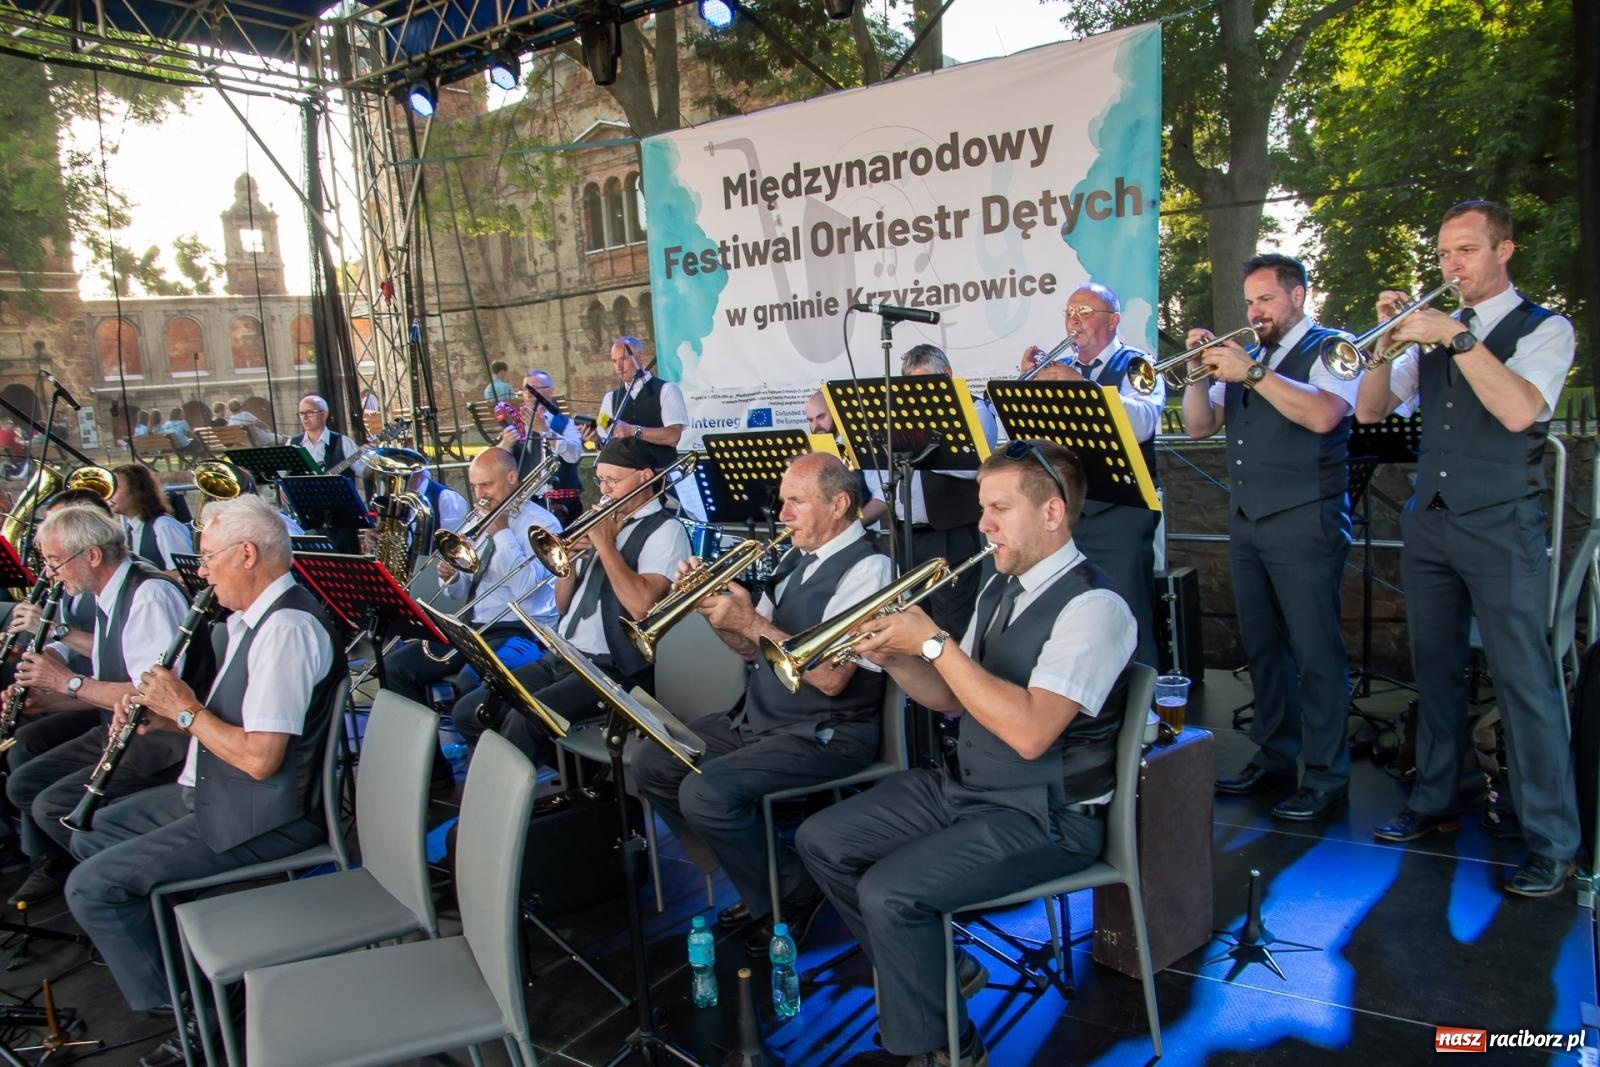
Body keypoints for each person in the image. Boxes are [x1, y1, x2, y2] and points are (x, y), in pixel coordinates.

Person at [796, 440, 1135, 1067]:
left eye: (999, 508)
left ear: (1053, 513)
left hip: (1048, 814)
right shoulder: (999, 589)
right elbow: (952, 700)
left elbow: (1032, 732)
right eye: (984, 508)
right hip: (969, 788)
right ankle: (942, 977)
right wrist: (895, 658)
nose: (982, 524)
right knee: (823, 840)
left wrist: (933, 644)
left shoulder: (1096, 607)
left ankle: (939, 1050)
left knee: (891, 892)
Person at [1355, 200, 1579, 896]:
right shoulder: (1431, 339)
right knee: (1436, 669)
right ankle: (1436, 799)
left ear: (1504, 250)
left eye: (1467, 251)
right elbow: (1368, 409)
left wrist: (1456, 338)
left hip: (1503, 525)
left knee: (1524, 682)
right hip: (1433, 521)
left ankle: (1552, 840)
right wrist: (1388, 344)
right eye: (1446, 253)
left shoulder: (1546, 327)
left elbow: (1518, 410)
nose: (1452, 265)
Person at [63, 494, 344, 1036]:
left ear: (245, 555)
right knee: (89, 834)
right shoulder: (247, 623)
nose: (201, 570)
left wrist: (185, 711)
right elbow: (232, 725)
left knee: (91, 889)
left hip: (264, 814)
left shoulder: (284, 631)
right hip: (221, 790)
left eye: (207, 556)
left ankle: (207, 1014)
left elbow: (262, 761)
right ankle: (181, 949)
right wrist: (165, 720)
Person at [633, 453, 893, 956]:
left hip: (826, 731)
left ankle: (785, 891)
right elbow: (754, 648)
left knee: (706, 794)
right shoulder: (798, 557)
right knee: (653, 761)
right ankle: (769, 880)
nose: (783, 514)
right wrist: (719, 614)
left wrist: (749, 621)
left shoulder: (871, 568)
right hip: (761, 717)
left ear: (839, 504)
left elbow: (834, 678)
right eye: (783, 501)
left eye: (796, 501)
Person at [1180, 253, 1358, 822]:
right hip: (1250, 518)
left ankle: (1328, 775)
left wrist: (1253, 374)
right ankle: (1277, 755)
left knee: (1316, 650)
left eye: (1266, 299)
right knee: (1263, 646)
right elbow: (1198, 425)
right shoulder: (1249, 356)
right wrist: (1196, 371)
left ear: (1298, 296)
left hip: (1307, 516)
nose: (1255, 311)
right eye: (1250, 301)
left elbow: (1325, 415)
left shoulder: (1332, 346)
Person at [3, 505, 191, 905]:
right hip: (119, 727)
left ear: (91, 555)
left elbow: (150, 699)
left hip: (162, 741)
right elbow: (112, 667)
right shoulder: (108, 593)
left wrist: (66, 682)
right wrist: (47, 701)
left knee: (51, 803)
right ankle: (85, 871)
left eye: (55, 561)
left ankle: (120, 886)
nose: (50, 573)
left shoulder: (149, 595)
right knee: (25, 779)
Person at [456, 436, 692, 756]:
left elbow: (642, 607)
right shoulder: (606, 520)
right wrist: (569, 563)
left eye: (613, 480)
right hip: (564, 655)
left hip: (611, 668)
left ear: (645, 477)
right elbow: (563, 604)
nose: (604, 489)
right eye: (600, 480)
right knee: (471, 710)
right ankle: (571, 774)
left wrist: (605, 545)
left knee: (523, 720)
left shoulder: (666, 530)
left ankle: (525, 792)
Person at [1019, 283, 1164, 666]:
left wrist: (1083, 388)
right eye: (1069, 312)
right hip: (1068, 510)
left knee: (1128, 611)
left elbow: (1144, 423)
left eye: (1085, 312)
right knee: (1073, 614)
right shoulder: (1057, 369)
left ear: (1113, 320)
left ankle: (1144, 718)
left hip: (1121, 510)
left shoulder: (1137, 364)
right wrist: (1029, 387)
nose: (1074, 321)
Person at [383, 447, 560, 726]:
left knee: (470, 681)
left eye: (486, 485)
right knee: (395, 668)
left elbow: (529, 591)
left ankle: (486, 758)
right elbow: (459, 594)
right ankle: (431, 764)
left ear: (512, 477)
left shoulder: (543, 524)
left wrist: (502, 533)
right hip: (471, 625)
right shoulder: (477, 518)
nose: (479, 495)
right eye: (475, 486)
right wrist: (452, 577)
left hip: (518, 628)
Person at [863, 344, 999, 637]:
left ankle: (954, 681)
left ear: (947, 375)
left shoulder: (974, 408)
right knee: (912, 617)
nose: (917, 395)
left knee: (950, 624)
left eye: (924, 384)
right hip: (906, 534)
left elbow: (975, 465)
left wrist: (918, 453)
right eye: (910, 387)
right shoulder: (900, 415)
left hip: (949, 532)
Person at [582, 337, 687, 469]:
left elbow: (673, 436)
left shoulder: (667, 390)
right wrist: (596, 438)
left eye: (623, 359)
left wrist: (633, 431)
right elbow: (606, 438)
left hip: (661, 475)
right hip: (625, 479)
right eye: (614, 361)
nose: (618, 367)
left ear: (641, 358)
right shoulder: (610, 399)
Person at [502, 369, 584, 526]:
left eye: (534, 389)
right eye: (525, 390)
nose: (529, 394)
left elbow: (573, 455)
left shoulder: (567, 424)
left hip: (562, 505)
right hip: (526, 506)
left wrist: (545, 431)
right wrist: (505, 445)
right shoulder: (517, 427)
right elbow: (500, 464)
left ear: (551, 391)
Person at [804, 390, 888, 528]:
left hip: (861, 533)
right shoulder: (812, 449)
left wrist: (854, 523)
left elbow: (884, 494)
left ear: (837, 414)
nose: (816, 425)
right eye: (810, 420)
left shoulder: (861, 445)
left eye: (821, 417)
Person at [110, 464, 192, 575]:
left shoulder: (164, 526)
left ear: (137, 491)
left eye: (116, 488)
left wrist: (144, 579)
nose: (110, 494)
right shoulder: (131, 529)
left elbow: (186, 573)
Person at [288, 394, 364, 480]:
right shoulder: (292, 443)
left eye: (310, 413)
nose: (305, 418)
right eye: (301, 413)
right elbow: (283, 478)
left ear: (324, 415)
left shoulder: (343, 442)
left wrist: (375, 458)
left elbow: (364, 472)